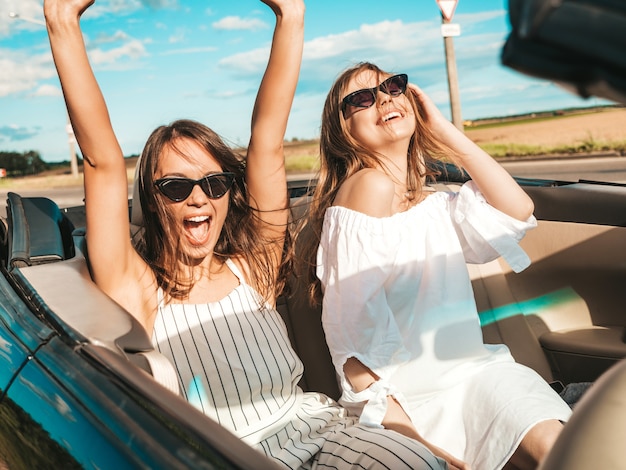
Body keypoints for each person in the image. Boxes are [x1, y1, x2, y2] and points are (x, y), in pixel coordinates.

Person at [45, 2, 447, 468]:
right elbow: (103, 163)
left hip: (317, 429)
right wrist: (61, 19)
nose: (199, 198)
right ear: (153, 202)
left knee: (414, 460)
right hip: (230, 456)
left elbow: (266, 140)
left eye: (214, 184)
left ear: (228, 194)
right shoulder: (136, 286)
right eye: (176, 187)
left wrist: (291, 16)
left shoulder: (254, 264)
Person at [299, 62, 573, 470]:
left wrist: (444, 132)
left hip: (479, 377)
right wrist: (421, 447)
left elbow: (517, 211)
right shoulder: (366, 189)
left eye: (392, 87)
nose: (384, 98)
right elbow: (353, 349)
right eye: (361, 98)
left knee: (569, 451)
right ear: (344, 131)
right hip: (409, 404)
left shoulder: (433, 204)